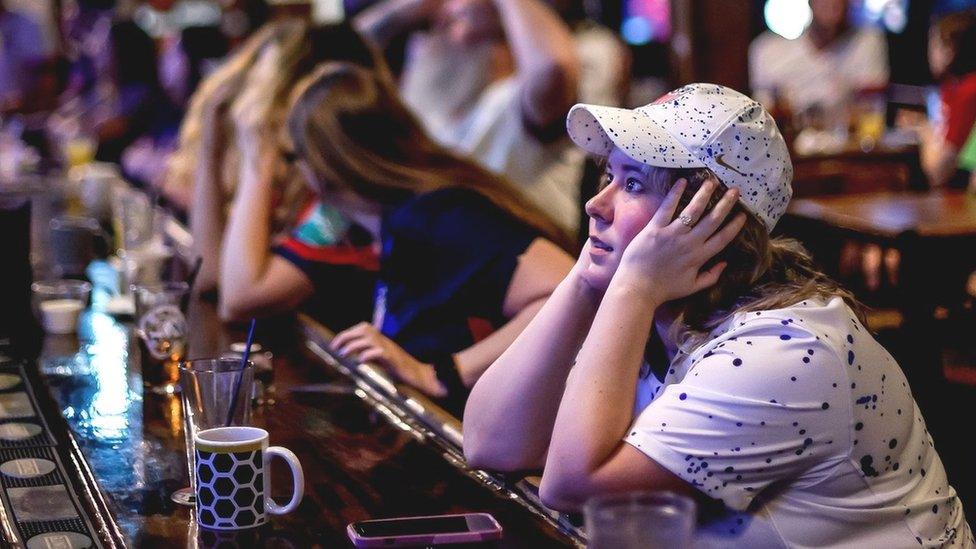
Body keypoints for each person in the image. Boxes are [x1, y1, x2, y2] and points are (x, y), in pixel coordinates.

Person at [463, 84, 973, 547]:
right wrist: (585, 281)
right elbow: (489, 443)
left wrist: (632, 288)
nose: (598, 204)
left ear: (709, 219)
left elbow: (572, 485)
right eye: (607, 176)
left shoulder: (786, 352)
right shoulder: (655, 315)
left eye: (634, 184)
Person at [222, 61, 574, 409]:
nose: (292, 171)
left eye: (292, 156)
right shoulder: (391, 219)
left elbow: (568, 291)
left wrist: (443, 374)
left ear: (325, 163)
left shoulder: (433, 215)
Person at [187, 21, 388, 331]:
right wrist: (210, 149)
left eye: (261, 86)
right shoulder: (299, 182)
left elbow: (238, 300)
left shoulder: (343, 199)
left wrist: (260, 150)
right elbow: (208, 276)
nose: (248, 103)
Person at [355, 0, 585, 233]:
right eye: (437, 24)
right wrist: (402, 11)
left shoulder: (513, 105)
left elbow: (554, 67)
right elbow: (334, 62)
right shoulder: (422, 113)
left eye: (459, 19)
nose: (440, 33)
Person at [750, 0, 888, 118]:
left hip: (850, 147)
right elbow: (762, 118)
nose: (832, 3)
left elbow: (872, 113)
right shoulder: (767, 49)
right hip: (789, 145)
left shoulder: (868, 42)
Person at [921, 9, 976, 188]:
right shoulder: (953, 89)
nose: (929, 52)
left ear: (950, 49)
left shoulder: (968, 92)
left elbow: (938, 171)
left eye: (934, 43)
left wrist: (925, 131)